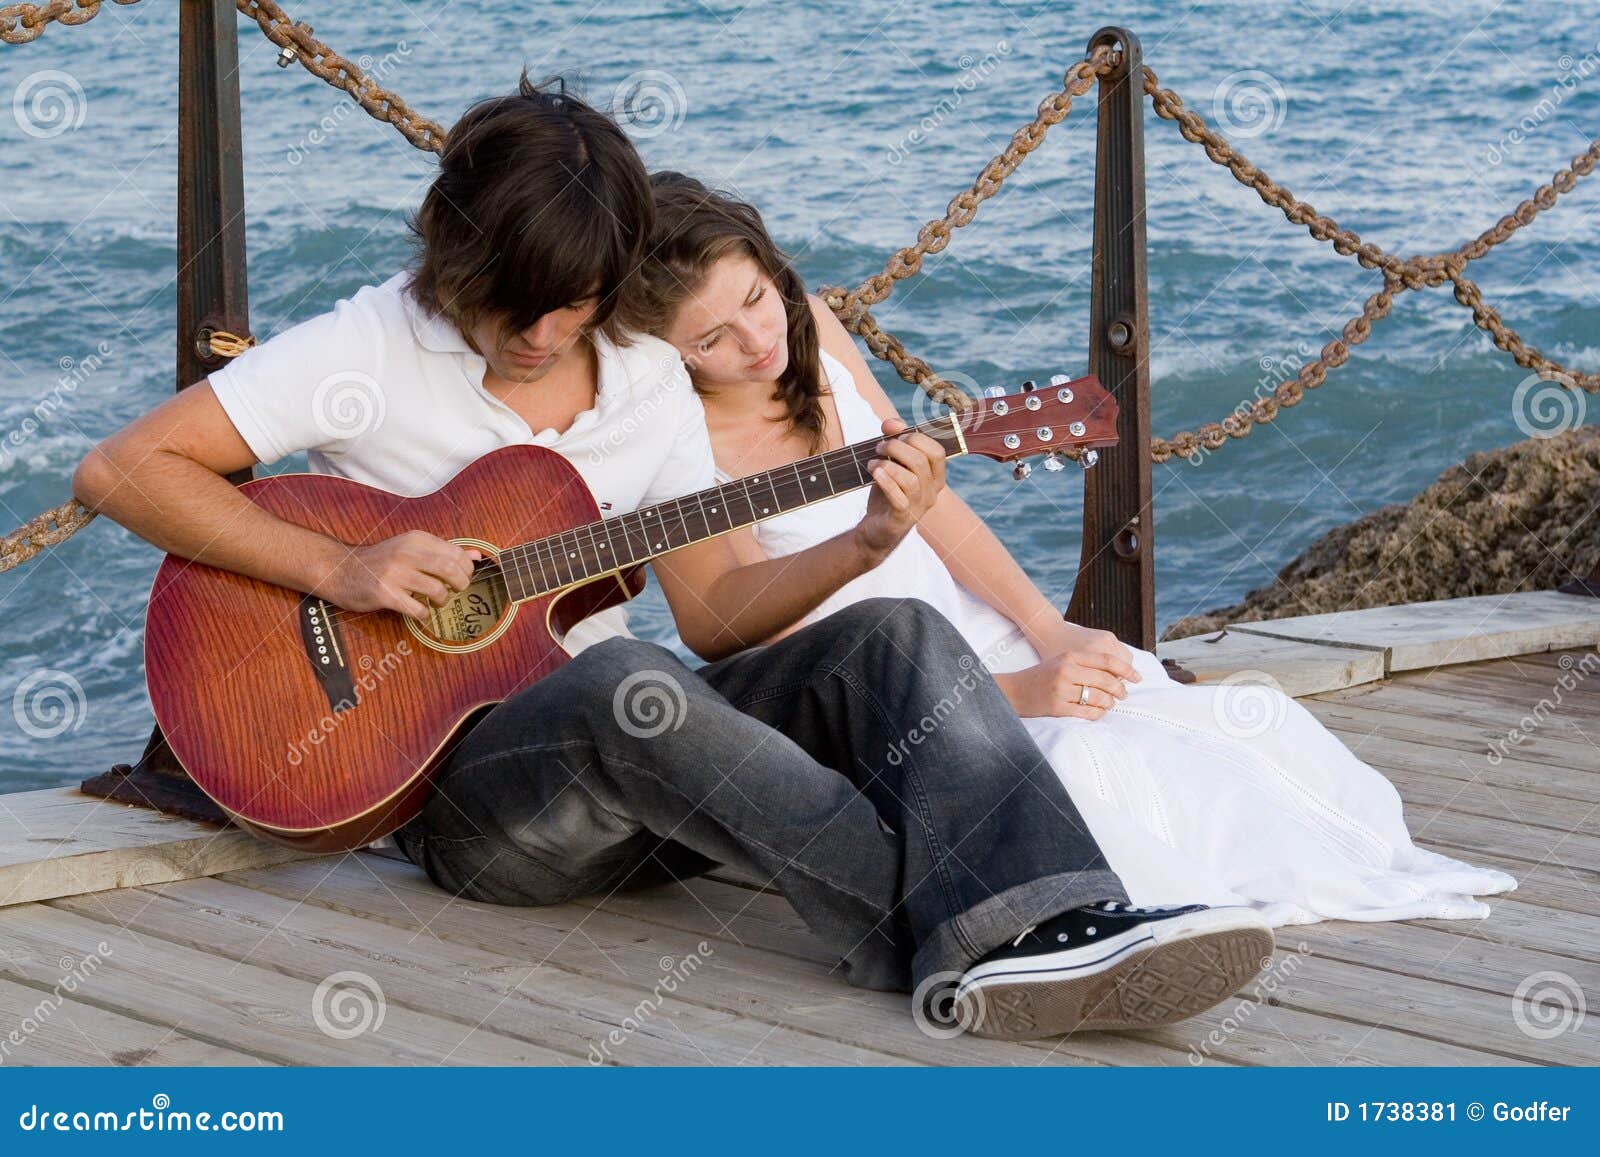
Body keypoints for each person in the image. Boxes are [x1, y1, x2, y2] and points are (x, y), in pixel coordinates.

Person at [72, 77, 1273, 1042]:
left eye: (575, 305)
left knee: (889, 634)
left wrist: (866, 540)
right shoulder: (370, 343)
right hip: (469, 803)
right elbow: (122, 469)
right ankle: (970, 941)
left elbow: (719, 618)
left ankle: (1066, 916)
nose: (546, 336)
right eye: (515, 307)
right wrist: (339, 571)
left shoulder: (646, 378)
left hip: (651, 785)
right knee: (610, 685)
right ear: (454, 259)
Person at [628, 171, 1517, 928]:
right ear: (666, 353)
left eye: (755, 296)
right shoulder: (677, 431)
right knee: (1090, 772)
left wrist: (1045, 630)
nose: (757, 338)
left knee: (1221, 722)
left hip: (974, 636)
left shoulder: (814, 326)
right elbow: (739, 634)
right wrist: (1001, 696)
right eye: (712, 339)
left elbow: (931, 510)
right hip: (874, 708)